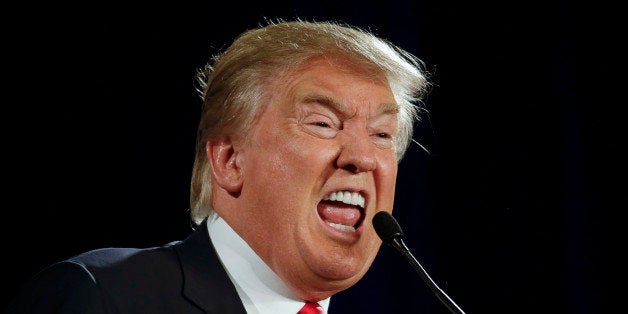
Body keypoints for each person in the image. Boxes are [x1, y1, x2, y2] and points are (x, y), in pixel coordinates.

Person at [6, 19, 431, 314]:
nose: (362, 157)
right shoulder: (104, 298)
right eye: (322, 124)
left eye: (381, 135)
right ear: (229, 160)